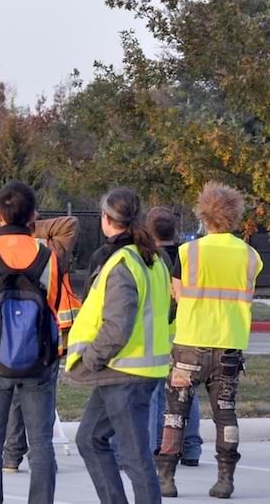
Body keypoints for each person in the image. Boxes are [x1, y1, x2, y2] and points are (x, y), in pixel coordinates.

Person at [156, 182, 264, 499]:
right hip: (229, 347)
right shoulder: (250, 256)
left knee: (175, 414)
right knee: (226, 414)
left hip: (190, 343)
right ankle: (225, 480)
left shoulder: (188, 253)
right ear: (235, 216)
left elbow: (175, 295)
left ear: (203, 215)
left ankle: (166, 479)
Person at [66, 187, 172, 504]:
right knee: (89, 438)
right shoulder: (153, 257)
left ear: (106, 219)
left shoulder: (123, 261)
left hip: (124, 371)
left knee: (135, 458)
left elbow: (117, 326)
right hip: (133, 369)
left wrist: (91, 359)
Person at [0, 180, 61, 504]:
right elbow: (54, 301)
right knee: (42, 445)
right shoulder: (48, 256)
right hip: (39, 360)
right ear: (33, 215)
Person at [2, 212, 80, 473]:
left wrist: (24, 226)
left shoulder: (3, 250)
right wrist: (33, 225)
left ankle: (12, 457)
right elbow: (70, 224)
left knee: (15, 397)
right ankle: (40, 457)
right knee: (43, 397)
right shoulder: (50, 252)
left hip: (14, 336)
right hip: (48, 334)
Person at [145, 207, 202, 466]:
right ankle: (190, 448)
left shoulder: (148, 260)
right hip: (188, 331)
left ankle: (159, 445)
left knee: (157, 394)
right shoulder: (189, 256)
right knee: (188, 391)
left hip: (159, 334)